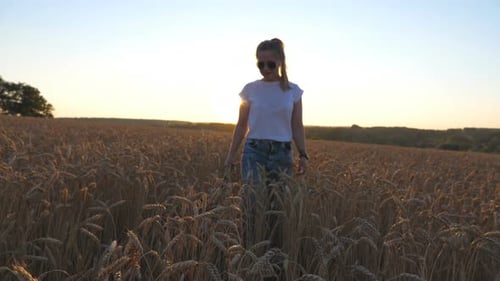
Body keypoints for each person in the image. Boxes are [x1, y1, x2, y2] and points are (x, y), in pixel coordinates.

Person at [224, 38, 308, 254]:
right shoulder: (250, 89)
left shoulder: (293, 91)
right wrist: (231, 155)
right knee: (251, 206)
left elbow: (296, 125)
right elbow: (241, 125)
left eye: (270, 63)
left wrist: (303, 155)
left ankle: (274, 255)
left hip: (282, 154)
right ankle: (248, 252)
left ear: (281, 62)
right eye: (260, 64)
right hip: (253, 152)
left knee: (276, 209)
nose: (265, 69)